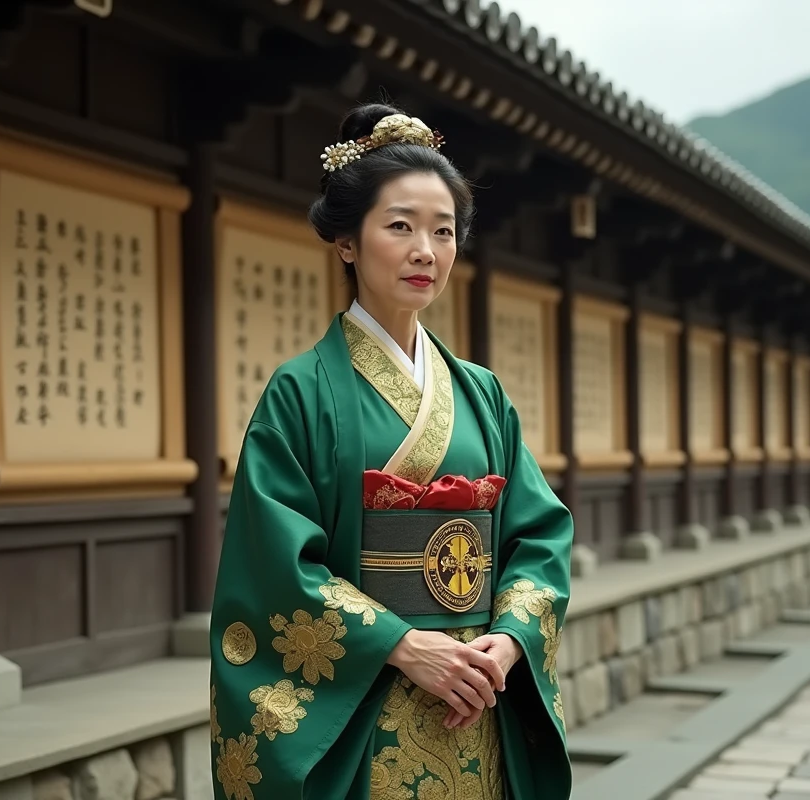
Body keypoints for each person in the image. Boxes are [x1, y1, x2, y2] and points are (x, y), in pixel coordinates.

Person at [209, 103, 574, 800]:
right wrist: (406, 647)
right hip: (371, 693)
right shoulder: (302, 392)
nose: (425, 252)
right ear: (347, 242)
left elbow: (537, 534)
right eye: (400, 226)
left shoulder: (482, 393)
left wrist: (508, 641)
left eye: (443, 231)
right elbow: (273, 566)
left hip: (476, 693)